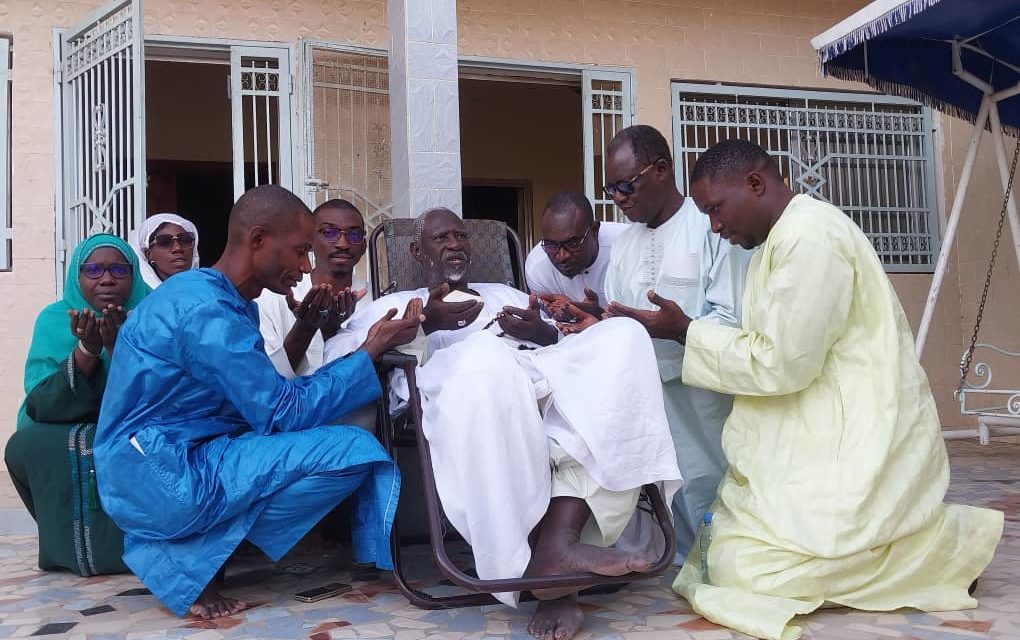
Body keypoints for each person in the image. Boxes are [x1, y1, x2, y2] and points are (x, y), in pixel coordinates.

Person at [664, 139, 1003, 640]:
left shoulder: (809, 238)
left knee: (740, 570)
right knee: (723, 552)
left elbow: (781, 363)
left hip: (852, 438)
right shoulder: (781, 240)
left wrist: (683, 331)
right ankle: (928, 547)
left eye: (716, 209)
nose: (715, 226)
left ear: (756, 183)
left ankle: (941, 551)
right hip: (815, 430)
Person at [323, 208, 682, 640]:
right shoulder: (394, 305)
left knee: (624, 336)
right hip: (466, 387)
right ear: (418, 252)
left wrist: (542, 332)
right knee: (484, 358)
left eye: (461, 235)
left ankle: (557, 550)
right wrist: (423, 326)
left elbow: (568, 341)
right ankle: (547, 574)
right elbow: (341, 360)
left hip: (542, 379)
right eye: (442, 238)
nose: (455, 243)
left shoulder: (507, 292)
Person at [93, 185, 422, 620]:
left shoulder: (226, 301)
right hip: (159, 470)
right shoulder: (205, 309)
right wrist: (370, 349)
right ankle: (189, 556)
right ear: (259, 239)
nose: (306, 267)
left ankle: (199, 553)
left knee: (346, 446)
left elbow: (263, 402)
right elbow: (283, 412)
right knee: (355, 452)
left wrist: (327, 335)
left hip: (189, 454)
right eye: (301, 251)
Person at [565, 125, 748, 561]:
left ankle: (720, 565)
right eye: (611, 189)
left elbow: (732, 316)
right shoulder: (624, 245)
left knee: (709, 483)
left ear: (662, 170)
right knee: (667, 488)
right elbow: (617, 319)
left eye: (627, 185)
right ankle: (679, 564)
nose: (619, 198)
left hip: (703, 395)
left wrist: (675, 327)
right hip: (644, 395)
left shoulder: (711, 228)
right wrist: (594, 323)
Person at [5, 234, 149, 576]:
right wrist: (87, 349)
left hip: (140, 423)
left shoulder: (154, 312)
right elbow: (40, 399)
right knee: (28, 445)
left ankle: (148, 548)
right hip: (65, 421)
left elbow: (167, 389)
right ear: (77, 276)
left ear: (134, 275)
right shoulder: (54, 320)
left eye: (118, 268)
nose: (107, 278)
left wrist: (117, 350)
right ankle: (67, 550)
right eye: (94, 269)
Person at [256, 199, 371, 379]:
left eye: (354, 235)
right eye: (329, 232)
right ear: (310, 241)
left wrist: (332, 332)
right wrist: (307, 326)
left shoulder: (377, 298)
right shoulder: (274, 297)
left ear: (363, 246)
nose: (343, 243)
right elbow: (267, 381)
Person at [524, 191, 627, 312]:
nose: (562, 256)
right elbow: (550, 323)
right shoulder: (537, 267)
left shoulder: (627, 246)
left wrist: (598, 314)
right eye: (551, 245)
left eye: (572, 244)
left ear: (594, 231)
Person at [131, 213, 201, 288]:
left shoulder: (208, 291)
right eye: (164, 241)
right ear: (149, 254)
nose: (177, 248)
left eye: (185, 239)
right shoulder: (141, 297)